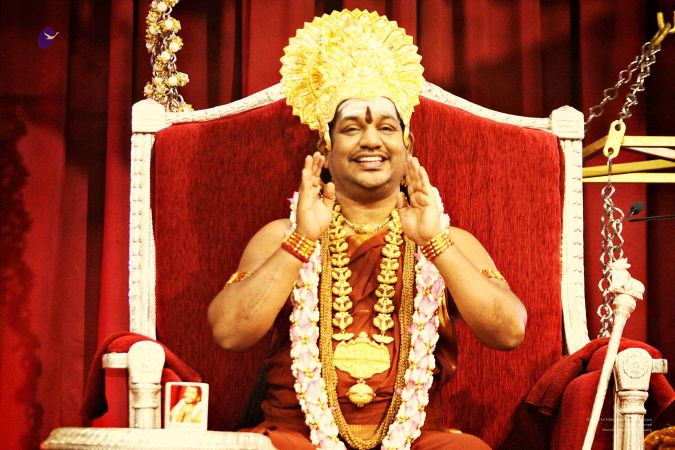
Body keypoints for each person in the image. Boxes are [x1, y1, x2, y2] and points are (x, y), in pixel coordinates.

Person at [207, 9, 527, 450]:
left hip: (415, 440)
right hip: (298, 438)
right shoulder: (283, 235)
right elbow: (228, 332)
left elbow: (510, 332)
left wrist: (436, 245)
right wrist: (301, 242)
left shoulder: (447, 239)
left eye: (386, 127)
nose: (371, 141)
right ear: (326, 145)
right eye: (352, 128)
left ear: (407, 144)